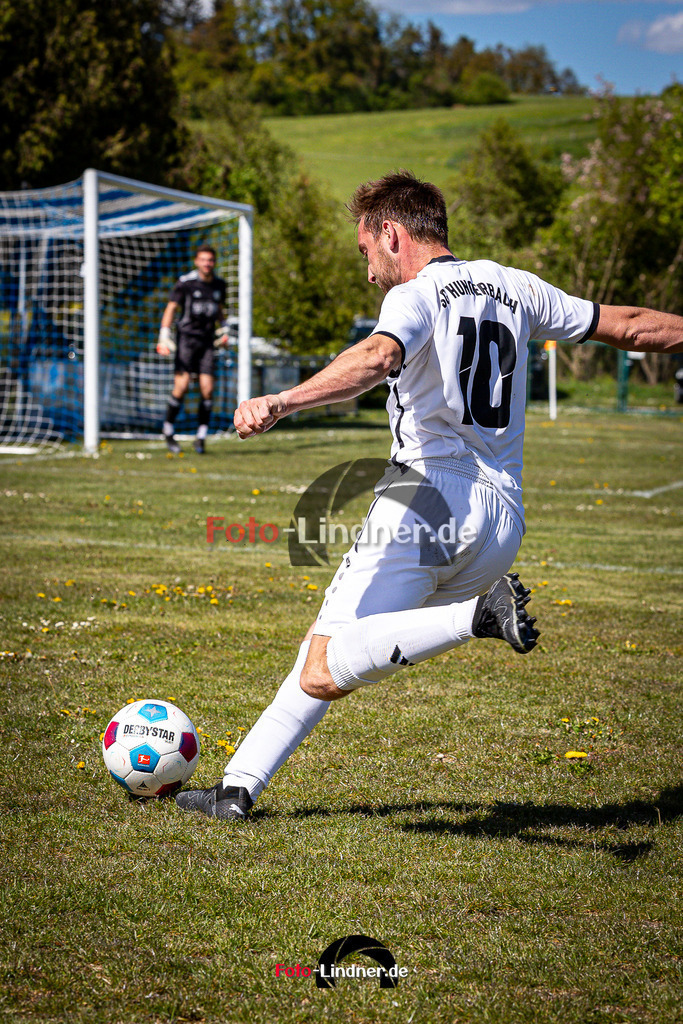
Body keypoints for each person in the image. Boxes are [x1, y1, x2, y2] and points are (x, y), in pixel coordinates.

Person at [176, 171, 683, 822]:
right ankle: (236, 790)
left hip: (425, 500)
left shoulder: (415, 294)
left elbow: (373, 360)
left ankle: (476, 617)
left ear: (391, 234)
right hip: (501, 522)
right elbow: (634, 326)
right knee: (327, 650)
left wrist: (282, 400)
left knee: (324, 663)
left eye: (364, 253)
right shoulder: (516, 285)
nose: (367, 274)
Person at [157, 245, 228, 454]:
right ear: (196, 261)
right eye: (203, 260)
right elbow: (171, 307)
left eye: (211, 260)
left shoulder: (219, 285)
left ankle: (201, 436)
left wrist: (224, 330)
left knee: (208, 389)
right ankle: (168, 429)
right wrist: (164, 335)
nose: (207, 264)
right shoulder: (185, 283)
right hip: (186, 341)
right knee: (182, 386)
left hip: (206, 342)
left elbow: (219, 311)